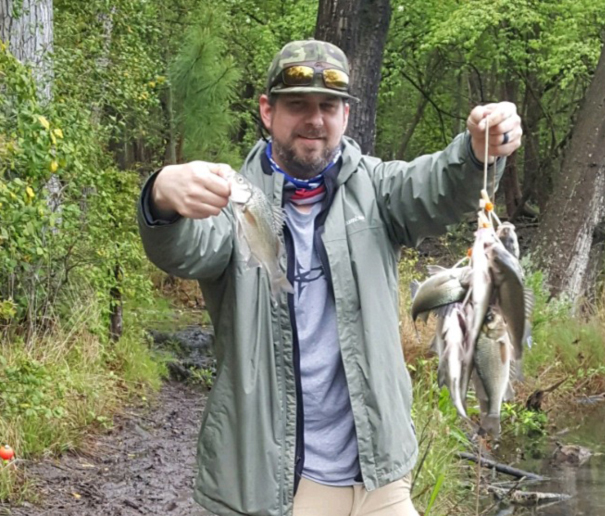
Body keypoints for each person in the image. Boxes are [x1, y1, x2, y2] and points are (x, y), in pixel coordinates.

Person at [137, 39, 522, 516]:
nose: (314, 119)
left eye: (328, 106)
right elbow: (187, 250)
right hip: (271, 483)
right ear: (267, 110)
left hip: (379, 477)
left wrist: (479, 150)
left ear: (345, 115)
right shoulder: (232, 197)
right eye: (297, 104)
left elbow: (441, 186)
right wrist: (160, 197)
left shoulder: (379, 190)